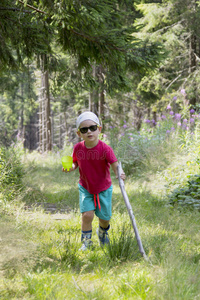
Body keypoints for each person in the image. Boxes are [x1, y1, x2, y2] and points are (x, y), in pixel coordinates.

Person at [62, 111, 125, 251]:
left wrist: (119, 173)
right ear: (79, 134)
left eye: (92, 128)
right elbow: (75, 163)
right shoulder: (78, 148)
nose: (89, 131)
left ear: (99, 129)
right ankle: (86, 242)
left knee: (105, 218)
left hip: (103, 188)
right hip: (86, 187)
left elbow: (115, 164)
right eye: (84, 130)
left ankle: (102, 232)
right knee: (87, 215)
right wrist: (70, 168)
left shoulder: (105, 149)